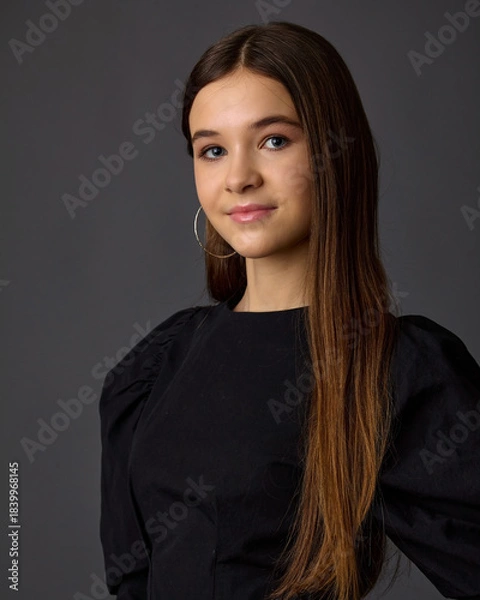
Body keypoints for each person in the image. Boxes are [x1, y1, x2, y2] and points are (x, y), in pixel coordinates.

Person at [98, 21, 480, 600]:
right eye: (212, 150)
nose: (239, 177)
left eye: (274, 140)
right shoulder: (157, 366)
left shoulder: (394, 369)